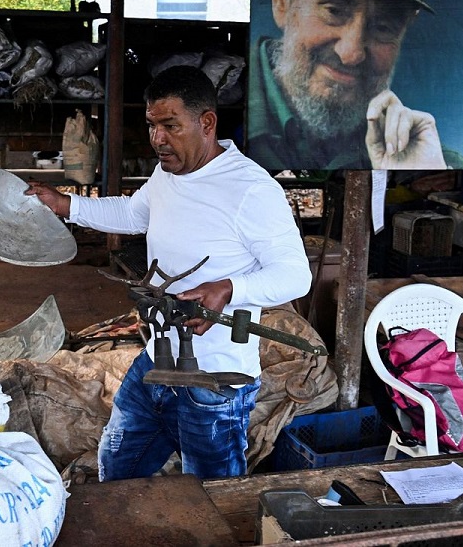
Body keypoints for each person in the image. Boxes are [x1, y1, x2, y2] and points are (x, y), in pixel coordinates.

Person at [25, 65, 311, 480]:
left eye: (170, 126)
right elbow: (133, 213)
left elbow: (295, 275)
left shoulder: (250, 189)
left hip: (215, 379)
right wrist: (66, 205)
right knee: (116, 467)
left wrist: (229, 288)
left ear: (206, 123)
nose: (157, 139)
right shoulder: (168, 171)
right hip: (158, 358)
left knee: (210, 494)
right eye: (152, 125)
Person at [248, 0, 463, 171]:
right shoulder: (217, 111)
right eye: (334, 10)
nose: (351, 54)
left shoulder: (428, 157)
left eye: (383, 27)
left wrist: (418, 173)